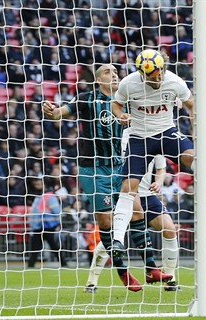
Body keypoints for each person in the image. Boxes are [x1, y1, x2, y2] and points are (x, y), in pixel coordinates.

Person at [43, 64, 160, 292]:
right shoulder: (86, 98)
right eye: (108, 71)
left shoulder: (126, 98)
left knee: (137, 211)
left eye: (116, 71)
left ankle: (152, 268)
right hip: (94, 169)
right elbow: (59, 113)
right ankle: (123, 272)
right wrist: (51, 110)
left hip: (119, 166)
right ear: (98, 80)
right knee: (105, 222)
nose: (114, 73)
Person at [109, 49, 206, 262]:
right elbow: (116, 104)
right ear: (142, 74)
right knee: (128, 188)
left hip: (166, 132)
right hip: (139, 138)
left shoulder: (175, 82)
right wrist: (121, 114)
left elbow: (191, 104)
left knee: (191, 156)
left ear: (164, 68)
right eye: (153, 77)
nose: (158, 79)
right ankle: (117, 240)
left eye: (160, 73)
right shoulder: (128, 83)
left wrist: (196, 128)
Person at [84, 129, 178, 293]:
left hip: (146, 194)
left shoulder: (156, 131)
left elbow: (161, 168)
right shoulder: (120, 134)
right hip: (124, 194)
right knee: (114, 239)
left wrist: (159, 182)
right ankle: (92, 281)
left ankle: (170, 279)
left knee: (169, 229)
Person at [27, 183, 68, 268]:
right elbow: (57, 211)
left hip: (39, 226)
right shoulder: (50, 197)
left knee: (36, 247)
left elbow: (33, 212)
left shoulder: (38, 198)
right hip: (48, 225)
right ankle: (63, 263)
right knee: (53, 246)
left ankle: (31, 264)